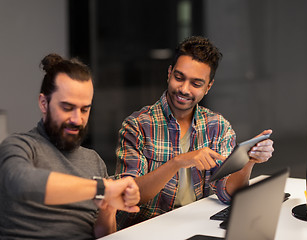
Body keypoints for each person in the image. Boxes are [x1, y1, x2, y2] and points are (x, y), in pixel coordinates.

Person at [115, 36, 274, 229]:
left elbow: (227, 192)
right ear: (169, 73)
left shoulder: (218, 127)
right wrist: (178, 162)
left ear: (208, 87)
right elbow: (129, 196)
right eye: (179, 77)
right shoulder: (137, 125)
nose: (183, 89)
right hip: (147, 230)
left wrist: (248, 161)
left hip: (196, 226)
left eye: (196, 84)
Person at [0, 54, 140, 239]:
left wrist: (108, 208)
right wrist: (102, 189)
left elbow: (103, 234)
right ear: (44, 103)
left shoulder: (94, 161)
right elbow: (22, 183)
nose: (77, 119)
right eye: (67, 108)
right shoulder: (19, 146)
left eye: (84, 109)